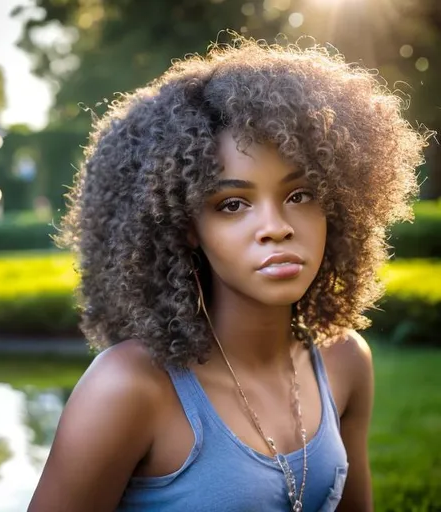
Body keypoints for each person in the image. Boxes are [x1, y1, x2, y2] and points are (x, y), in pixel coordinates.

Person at [28, 35, 427, 512]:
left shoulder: (345, 362)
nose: (276, 228)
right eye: (232, 204)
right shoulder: (129, 388)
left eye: (300, 195)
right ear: (187, 227)